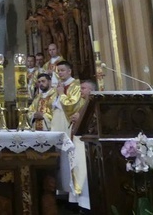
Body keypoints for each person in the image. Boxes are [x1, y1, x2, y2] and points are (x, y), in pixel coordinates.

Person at [51, 61, 84, 199]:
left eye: (62, 70)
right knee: (58, 156)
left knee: (67, 155)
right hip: (56, 121)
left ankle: (70, 192)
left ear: (69, 71)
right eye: (58, 71)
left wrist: (61, 94)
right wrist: (59, 93)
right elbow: (52, 104)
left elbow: (72, 106)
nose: (60, 73)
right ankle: (61, 190)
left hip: (66, 121)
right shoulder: (59, 86)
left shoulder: (76, 85)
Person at [68, 80, 96, 212]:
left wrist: (78, 118)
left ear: (91, 90)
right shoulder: (83, 104)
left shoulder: (93, 105)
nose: (81, 91)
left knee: (84, 173)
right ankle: (81, 202)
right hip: (79, 143)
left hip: (86, 144)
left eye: (84, 88)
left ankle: (86, 204)